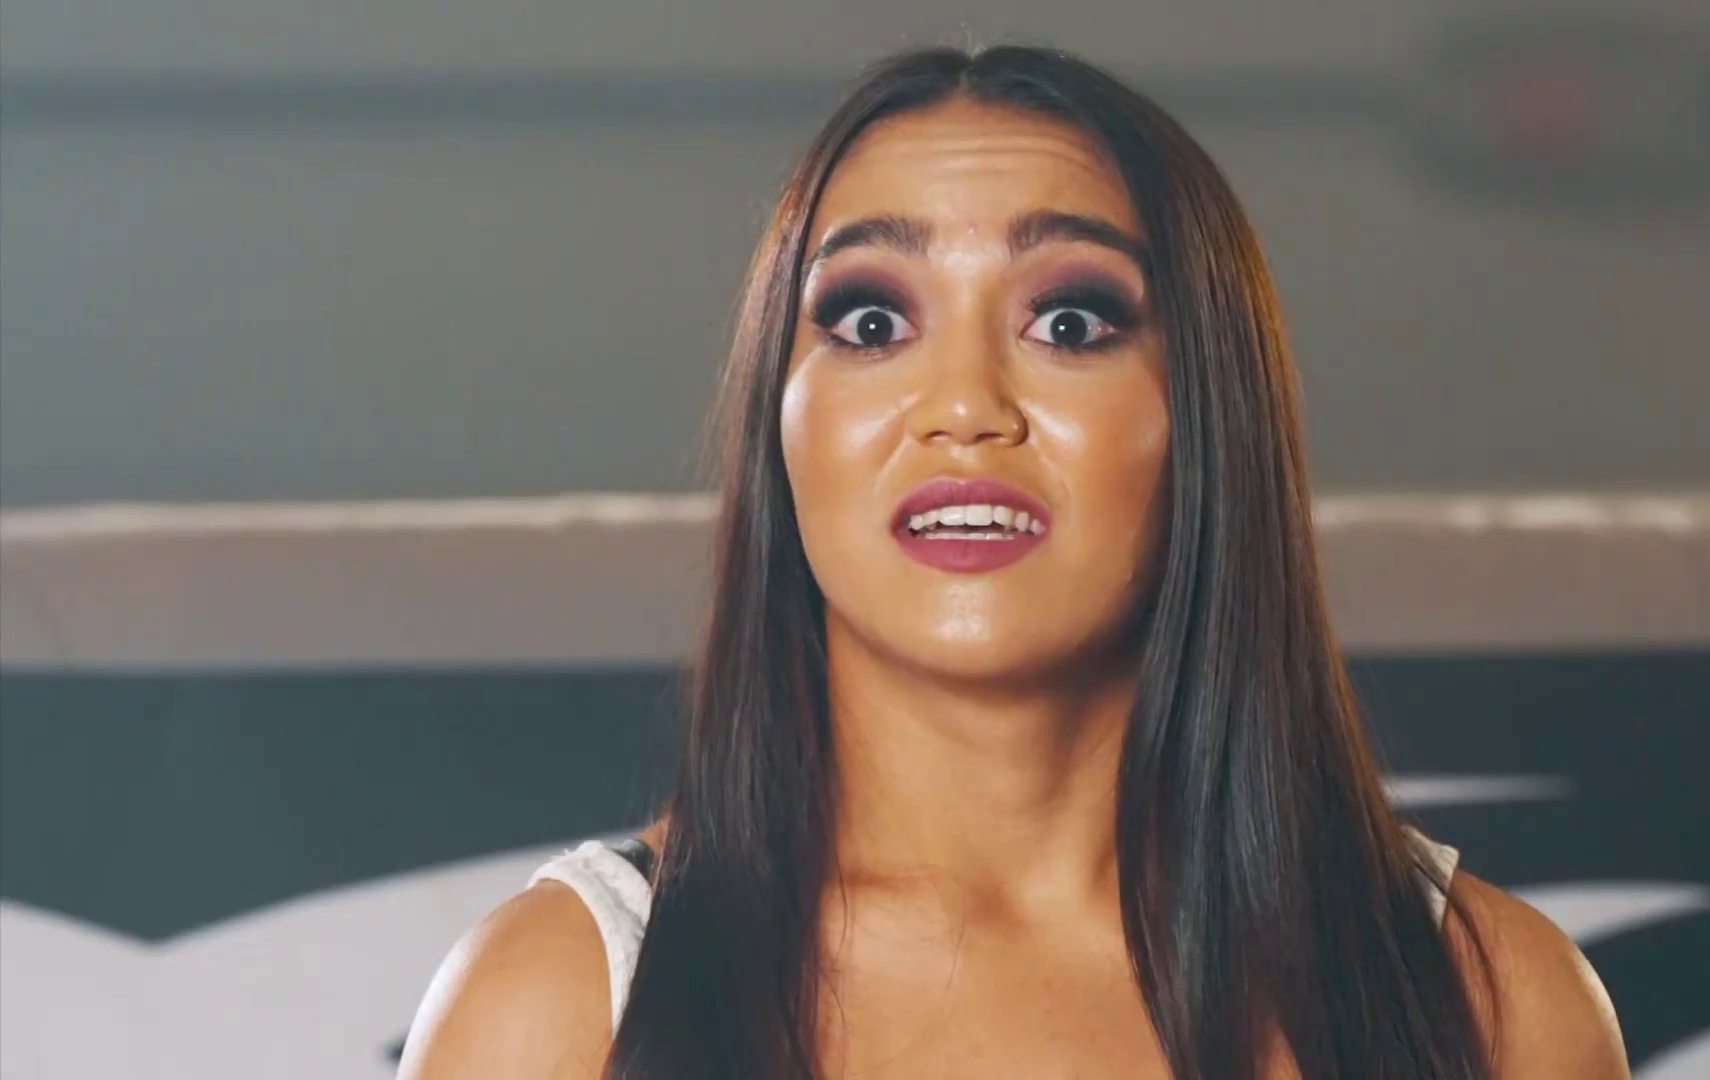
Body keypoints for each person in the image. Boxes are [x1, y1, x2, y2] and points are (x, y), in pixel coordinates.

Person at [397, 45, 1628, 1080]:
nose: (964, 408)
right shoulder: (552, 1012)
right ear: (781, 422)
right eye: (871, 321)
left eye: (1070, 321)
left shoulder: (1497, 1008)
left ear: (1212, 412)